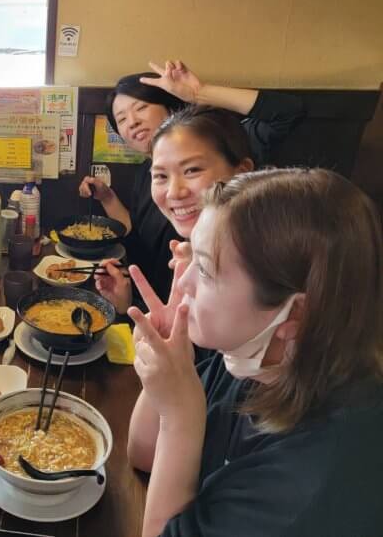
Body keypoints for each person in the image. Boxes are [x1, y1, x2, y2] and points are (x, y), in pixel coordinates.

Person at [127, 168, 383, 536]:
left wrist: (181, 416)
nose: (183, 283)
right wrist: (170, 363)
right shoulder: (255, 355)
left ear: (294, 312)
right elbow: (144, 454)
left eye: (203, 268)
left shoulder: (317, 478)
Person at [79, 61, 305, 303]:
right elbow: (140, 238)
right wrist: (107, 198)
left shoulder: (218, 142)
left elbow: (287, 112)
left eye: (141, 107)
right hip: (163, 312)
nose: (132, 122)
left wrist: (198, 94)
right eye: (121, 119)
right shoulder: (146, 174)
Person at [95, 105, 254, 316]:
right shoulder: (190, 249)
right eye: (161, 176)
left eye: (192, 170)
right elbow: (178, 333)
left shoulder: (257, 264)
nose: (174, 193)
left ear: (241, 173)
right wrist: (126, 305)